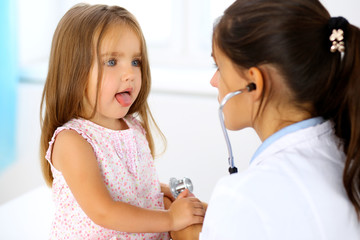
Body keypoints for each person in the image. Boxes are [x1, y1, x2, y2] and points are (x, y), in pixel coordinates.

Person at [39, 4, 205, 239]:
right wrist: (170, 218)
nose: (130, 74)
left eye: (135, 62)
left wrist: (161, 191)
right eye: (112, 62)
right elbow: (104, 211)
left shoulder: (134, 128)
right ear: (75, 70)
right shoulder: (72, 140)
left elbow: (127, 187)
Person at [200, 0, 360, 239]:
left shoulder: (243, 197)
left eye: (219, 67)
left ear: (254, 83)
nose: (214, 81)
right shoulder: (349, 157)